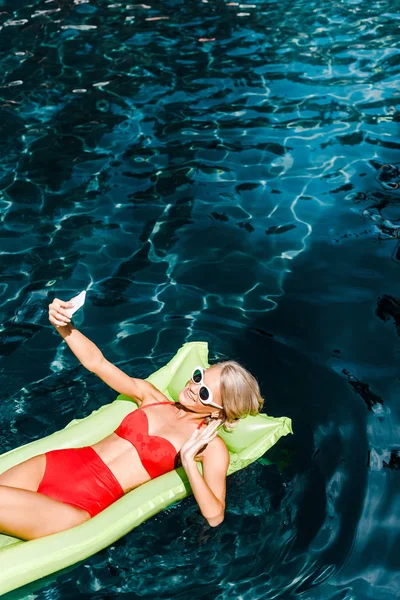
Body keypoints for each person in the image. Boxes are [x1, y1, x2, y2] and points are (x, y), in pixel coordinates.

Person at [0, 298, 264, 541]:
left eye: (205, 392)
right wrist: (65, 326)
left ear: (218, 410)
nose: (194, 386)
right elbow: (98, 364)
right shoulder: (151, 396)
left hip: (81, 503)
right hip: (55, 465)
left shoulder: (211, 447)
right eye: (198, 376)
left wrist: (188, 462)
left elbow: (215, 515)